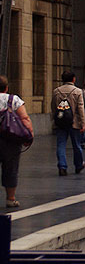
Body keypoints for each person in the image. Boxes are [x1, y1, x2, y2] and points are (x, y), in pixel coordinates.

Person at [0, 75, 34, 208]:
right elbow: (24, 118)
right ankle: (10, 198)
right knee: (11, 168)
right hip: (11, 140)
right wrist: (29, 135)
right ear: (7, 88)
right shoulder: (13, 99)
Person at [52, 71, 85, 176]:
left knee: (61, 145)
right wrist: (83, 123)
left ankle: (62, 166)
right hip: (74, 123)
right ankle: (78, 165)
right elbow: (80, 108)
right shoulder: (77, 91)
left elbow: (53, 107)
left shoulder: (56, 91)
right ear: (73, 79)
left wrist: (56, 119)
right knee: (76, 145)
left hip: (61, 122)